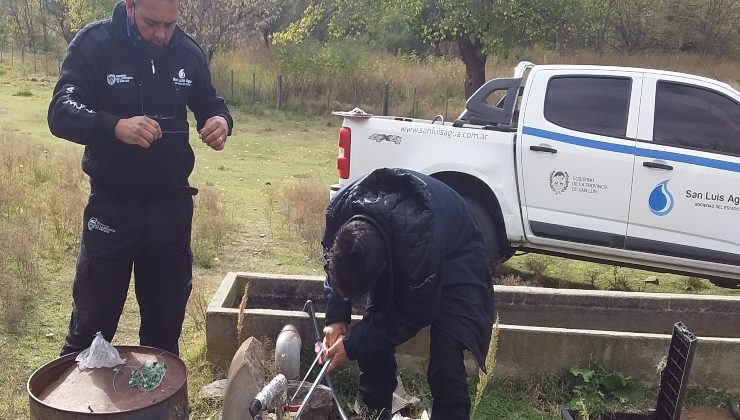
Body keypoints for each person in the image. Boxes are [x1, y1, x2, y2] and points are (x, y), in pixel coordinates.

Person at [48, 0, 233, 356]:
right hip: (112, 209)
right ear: (130, 6)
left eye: (170, 24)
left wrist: (220, 121)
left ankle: (161, 409)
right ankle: (70, 410)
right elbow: (60, 112)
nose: (162, 34)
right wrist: (114, 126)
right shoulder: (95, 44)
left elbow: (211, 102)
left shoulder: (187, 51)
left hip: (171, 211)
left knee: (164, 337)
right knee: (89, 331)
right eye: (152, 24)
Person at [321, 168, 495, 420]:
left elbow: (412, 314)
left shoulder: (417, 246)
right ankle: (375, 411)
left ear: (382, 269)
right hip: (400, 238)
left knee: (445, 365)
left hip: (458, 252)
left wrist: (352, 344)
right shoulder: (339, 213)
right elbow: (334, 267)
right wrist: (336, 317)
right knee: (372, 333)